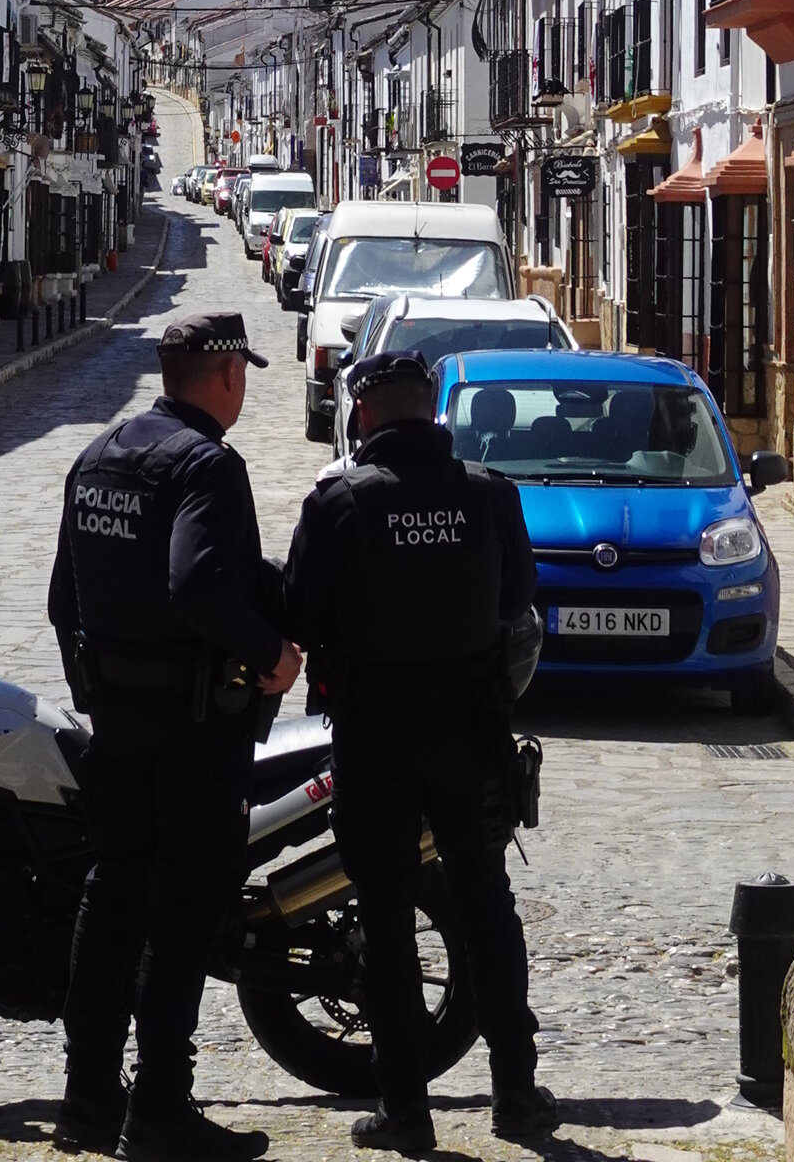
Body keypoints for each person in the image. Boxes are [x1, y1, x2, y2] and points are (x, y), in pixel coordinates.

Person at [47, 307, 302, 1162]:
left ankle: (85, 1101)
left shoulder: (99, 456)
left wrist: (99, 695)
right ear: (227, 377)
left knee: (111, 899)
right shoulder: (207, 466)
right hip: (194, 732)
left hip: (120, 724)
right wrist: (271, 653)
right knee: (184, 913)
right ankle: (158, 1106)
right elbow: (196, 584)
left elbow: (62, 602)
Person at [284, 351, 553, 1155]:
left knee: (386, 923)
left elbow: (299, 613)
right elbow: (516, 601)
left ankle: (406, 1110)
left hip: (375, 737)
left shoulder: (340, 502)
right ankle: (515, 1096)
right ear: (435, 407)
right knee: (487, 914)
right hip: (469, 735)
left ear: (365, 414)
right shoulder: (488, 496)